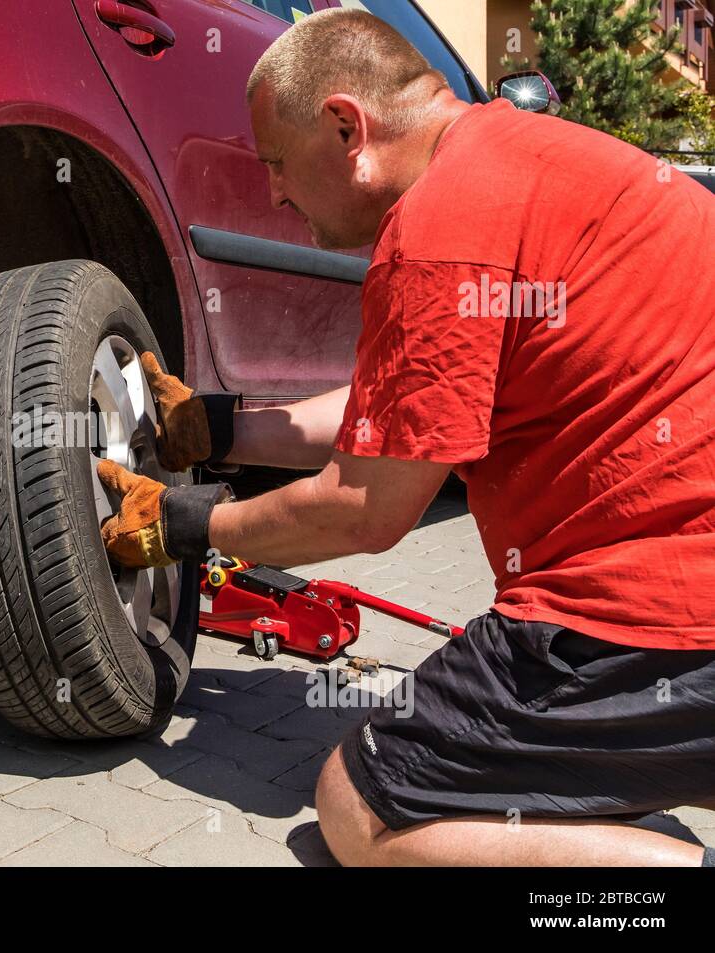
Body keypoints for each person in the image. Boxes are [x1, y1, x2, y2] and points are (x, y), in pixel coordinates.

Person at [97, 7, 715, 867]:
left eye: (277, 162)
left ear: (347, 126)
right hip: (689, 621)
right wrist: (219, 425)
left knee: (360, 811)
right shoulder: (523, 163)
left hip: (642, 623)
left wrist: (187, 524)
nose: (274, 191)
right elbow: (400, 416)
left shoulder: (440, 231)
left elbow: (364, 508)